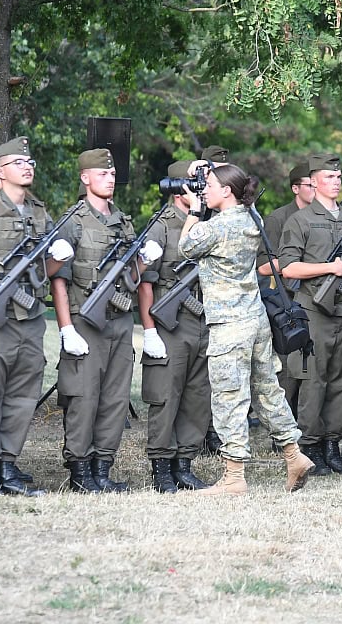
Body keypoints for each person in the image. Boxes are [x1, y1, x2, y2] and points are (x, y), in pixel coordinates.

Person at [177, 162, 315, 494]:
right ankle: (294, 455)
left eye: (209, 186)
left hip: (229, 325)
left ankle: (234, 477)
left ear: (227, 191)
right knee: (268, 390)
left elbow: (185, 247)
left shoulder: (216, 227)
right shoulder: (253, 219)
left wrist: (194, 211)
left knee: (230, 397)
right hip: (256, 320)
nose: (203, 192)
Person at [0, 136, 70, 496]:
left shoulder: (39, 213)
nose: (27, 167)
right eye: (18, 163)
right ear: (0, 172)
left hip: (30, 317)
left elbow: (44, 271)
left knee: (23, 397)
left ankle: (7, 466)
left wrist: (58, 259)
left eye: (29, 162)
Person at [52, 148, 153, 493]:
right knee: (83, 396)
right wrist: (66, 328)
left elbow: (131, 276)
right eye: (102, 173)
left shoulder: (123, 221)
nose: (110, 179)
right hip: (85, 322)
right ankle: (80, 470)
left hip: (119, 320)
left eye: (111, 174)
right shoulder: (73, 221)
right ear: (85, 178)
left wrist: (143, 262)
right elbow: (58, 279)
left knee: (115, 398)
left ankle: (102, 468)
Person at [278, 154, 342, 476]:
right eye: (329, 177)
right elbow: (289, 268)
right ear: (314, 182)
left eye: (338, 177)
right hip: (313, 311)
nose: (335, 181)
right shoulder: (300, 221)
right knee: (313, 380)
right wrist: (328, 267)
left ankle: (334, 446)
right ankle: (310, 446)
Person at [138, 160, 212, 493]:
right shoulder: (161, 226)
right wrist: (149, 330)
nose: (202, 190)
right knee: (166, 396)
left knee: (198, 397)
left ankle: (184, 464)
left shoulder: (209, 222)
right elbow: (145, 283)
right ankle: (162, 467)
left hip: (202, 321)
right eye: (196, 184)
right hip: (171, 324)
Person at [257, 161, 316, 412]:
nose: (314, 189)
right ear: (295, 188)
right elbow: (263, 266)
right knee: (287, 370)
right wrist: (303, 262)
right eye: (309, 185)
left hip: (314, 300)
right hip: (286, 302)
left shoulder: (324, 219)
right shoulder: (278, 219)